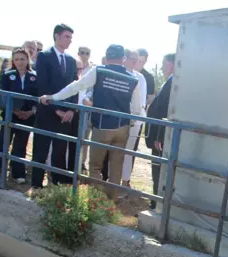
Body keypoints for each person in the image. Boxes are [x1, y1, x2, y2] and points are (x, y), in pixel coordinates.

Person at [40, 44, 140, 202]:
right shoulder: (133, 79)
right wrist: (130, 123)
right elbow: (136, 108)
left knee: (95, 166)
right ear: (123, 59)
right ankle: (112, 201)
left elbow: (76, 86)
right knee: (116, 166)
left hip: (102, 126)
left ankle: (97, 200)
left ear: (107, 58)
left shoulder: (99, 71)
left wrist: (53, 97)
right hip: (123, 127)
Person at [30, 23, 78, 189]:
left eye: (71, 37)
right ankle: (36, 184)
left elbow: (75, 87)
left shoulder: (71, 60)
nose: (70, 40)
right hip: (47, 112)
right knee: (40, 150)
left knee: (60, 151)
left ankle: (57, 184)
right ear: (57, 36)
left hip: (65, 115)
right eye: (67, 36)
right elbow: (42, 87)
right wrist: (55, 109)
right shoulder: (44, 56)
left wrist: (71, 109)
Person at [0, 48, 38, 183]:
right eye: (17, 59)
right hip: (10, 115)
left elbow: (37, 96)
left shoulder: (34, 77)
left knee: (21, 144)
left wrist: (31, 111)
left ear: (28, 60)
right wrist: (14, 110)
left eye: (22, 59)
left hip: (28, 117)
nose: (20, 62)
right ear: (13, 60)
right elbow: (3, 95)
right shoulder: (7, 75)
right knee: (3, 141)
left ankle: (18, 173)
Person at [145, 53, 175, 209]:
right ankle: (154, 202)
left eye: (164, 63)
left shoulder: (172, 83)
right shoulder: (168, 82)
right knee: (156, 170)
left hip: (160, 138)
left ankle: (155, 205)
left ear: (171, 64)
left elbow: (165, 113)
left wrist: (159, 137)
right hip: (158, 135)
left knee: (158, 171)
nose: (162, 67)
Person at [120, 49, 147, 187]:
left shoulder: (140, 78)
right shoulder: (117, 74)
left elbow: (141, 102)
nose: (136, 62)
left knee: (128, 152)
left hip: (133, 121)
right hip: (117, 120)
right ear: (125, 58)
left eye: (138, 60)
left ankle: (125, 182)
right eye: (133, 59)